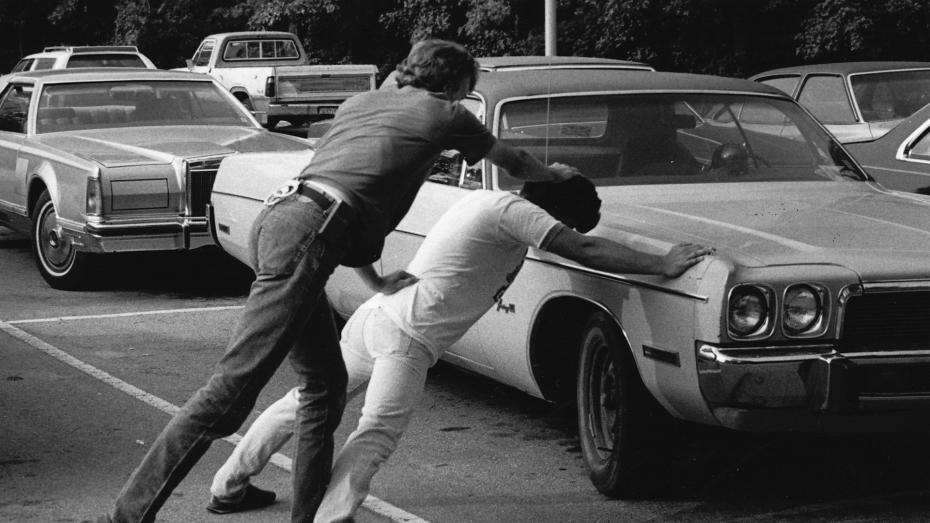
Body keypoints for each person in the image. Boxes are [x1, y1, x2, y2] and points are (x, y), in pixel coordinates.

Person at [101, 39, 582, 523]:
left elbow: (347, 195)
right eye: (463, 87)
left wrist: (373, 279)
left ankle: (304, 515)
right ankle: (125, 516)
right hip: (309, 234)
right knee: (229, 394)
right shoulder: (446, 114)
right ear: (456, 85)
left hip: (284, 219)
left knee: (325, 385)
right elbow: (516, 164)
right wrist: (555, 174)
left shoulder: (361, 103)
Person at [204, 176, 713, 522]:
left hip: (381, 317)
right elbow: (584, 249)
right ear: (551, 209)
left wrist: (376, 282)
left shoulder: (489, 200)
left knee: (303, 404)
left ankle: (229, 486)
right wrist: (661, 263)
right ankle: (331, 517)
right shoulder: (515, 212)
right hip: (408, 337)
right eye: (568, 220)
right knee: (377, 432)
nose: (563, 232)